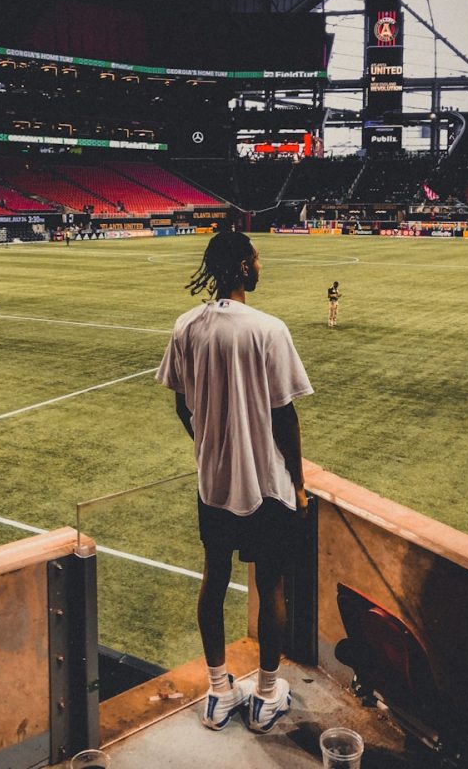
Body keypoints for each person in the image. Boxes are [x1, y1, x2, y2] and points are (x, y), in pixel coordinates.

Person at [157, 231, 313, 734]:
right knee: (269, 586)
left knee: (214, 579)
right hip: (266, 485)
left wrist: (206, 444)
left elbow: (182, 402)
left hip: (213, 484)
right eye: (256, 259)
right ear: (244, 268)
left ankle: (219, 690)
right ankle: (267, 694)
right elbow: (283, 415)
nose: (260, 265)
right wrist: (301, 482)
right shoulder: (268, 329)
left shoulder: (187, 326)